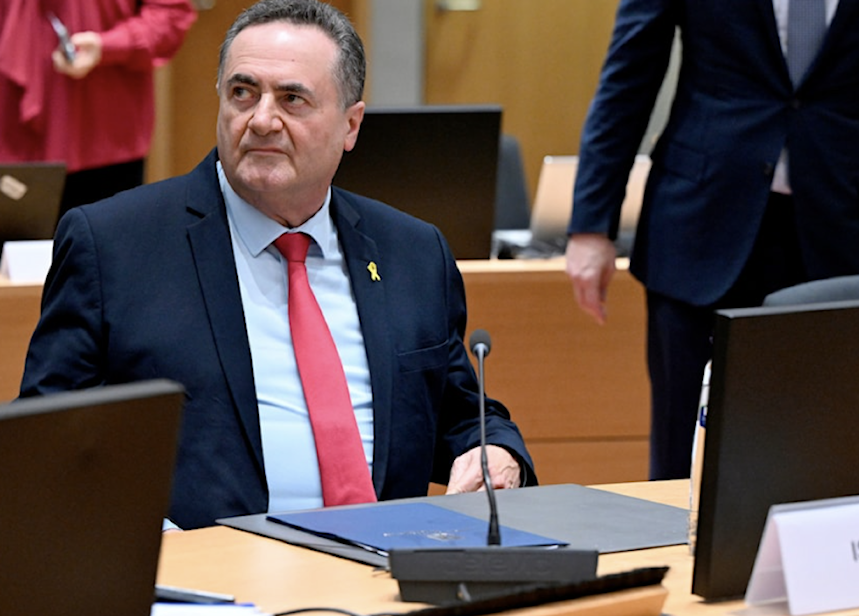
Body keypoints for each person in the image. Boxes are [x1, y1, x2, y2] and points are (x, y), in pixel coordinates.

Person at [18, 0, 536, 530]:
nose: (262, 119)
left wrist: (498, 452)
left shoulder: (411, 251)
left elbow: (463, 417)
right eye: (243, 93)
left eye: (292, 99)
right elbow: (42, 447)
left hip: (382, 576)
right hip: (207, 586)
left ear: (351, 125)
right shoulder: (114, 245)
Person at [566, 0, 859, 480]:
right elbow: (630, 72)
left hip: (847, 237)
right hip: (697, 231)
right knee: (683, 464)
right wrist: (591, 225)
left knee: (840, 458)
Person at [0, 0, 197, 215]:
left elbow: (171, 15)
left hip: (103, 140)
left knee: (107, 243)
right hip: (9, 135)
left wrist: (110, 45)